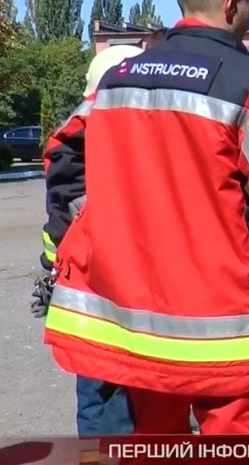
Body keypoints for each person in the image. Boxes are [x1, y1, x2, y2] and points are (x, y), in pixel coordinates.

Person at [39, 0, 249, 434]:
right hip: (224, 329)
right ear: (232, 5)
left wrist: (92, 234)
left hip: (135, 326)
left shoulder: (118, 78)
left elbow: (63, 156)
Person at [35, 44, 144, 436]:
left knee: (99, 399)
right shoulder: (131, 126)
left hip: (84, 290)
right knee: (121, 400)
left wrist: (52, 269)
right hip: (120, 291)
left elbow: (58, 222)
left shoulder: (72, 136)